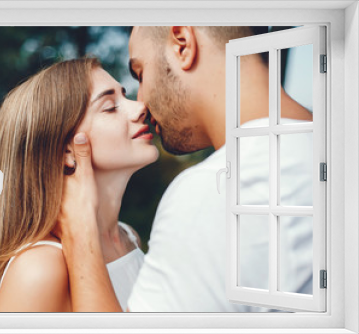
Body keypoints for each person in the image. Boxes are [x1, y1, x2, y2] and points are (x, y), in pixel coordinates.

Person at [57, 26, 314, 312]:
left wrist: (79, 232)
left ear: (182, 44)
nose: (140, 103)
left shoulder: (215, 193)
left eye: (141, 74)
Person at [0, 58, 159, 312]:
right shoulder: (39, 269)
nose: (140, 107)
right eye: (110, 107)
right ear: (66, 150)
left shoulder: (128, 237)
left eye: (124, 96)